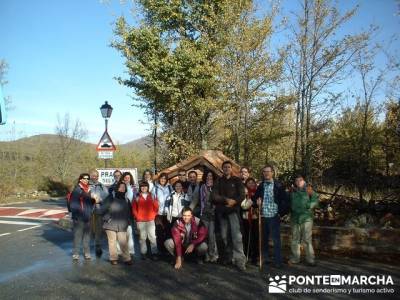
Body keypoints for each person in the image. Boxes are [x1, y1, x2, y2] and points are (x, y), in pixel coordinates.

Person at [211, 160, 247, 271]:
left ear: (231, 169)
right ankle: (229, 257)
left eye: (228, 167)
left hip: (233, 212)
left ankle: (240, 260)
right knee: (224, 236)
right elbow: (214, 196)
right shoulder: (218, 181)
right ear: (222, 169)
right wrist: (226, 200)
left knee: (237, 237)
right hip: (222, 212)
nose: (226, 169)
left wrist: (234, 202)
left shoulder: (237, 180)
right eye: (225, 167)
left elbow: (242, 195)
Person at [254, 164, 289, 268]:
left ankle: (278, 261)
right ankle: (264, 258)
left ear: (272, 173)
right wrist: (257, 201)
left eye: (268, 171)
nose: (266, 173)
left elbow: (286, 201)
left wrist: (280, 213)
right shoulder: (261, 186)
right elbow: (256, 198)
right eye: (264, 171)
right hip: (263, 216)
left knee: (276, 240)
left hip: (274, 216)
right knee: (263, 240)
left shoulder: (279, 185)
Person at [289, 175, 319, 266]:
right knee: (295, 239)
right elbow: (288, 202)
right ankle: (295, 258)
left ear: (304, 181)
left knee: (307, 239)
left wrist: (308, 206)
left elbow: (315, 201)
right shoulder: (292, 191)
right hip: (295, 218)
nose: (298, 182)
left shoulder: (309, 190)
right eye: (296, 181)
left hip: (306, 218)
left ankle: (310, 259)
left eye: (300, 180)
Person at [70, 173, 100, 261]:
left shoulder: (88, 189)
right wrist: (78, 215)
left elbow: (89, 203)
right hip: (79, 217)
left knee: (87, 236)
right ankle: (75, 253)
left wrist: (94, 200)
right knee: (78, 236)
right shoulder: (77, 189)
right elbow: (73, 205)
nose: (86, 180)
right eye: (84, 178)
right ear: (80, 179)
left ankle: (87, 252)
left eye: (88, 178)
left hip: (88, 216)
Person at [102, 182, 133, 265]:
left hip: (122, 224)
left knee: (123, 242)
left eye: (124, 187)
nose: (122, 188)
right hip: (110, 223)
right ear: (117, 188)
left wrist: (128, 221)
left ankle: (127, 258)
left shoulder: (127, 200)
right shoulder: (111, 197)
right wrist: (107, 218)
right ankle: (113, 258)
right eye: (120, 187)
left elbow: (130, 212)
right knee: (112, 242)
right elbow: (102, 209)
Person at [132, 181, 159, 260]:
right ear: (140, 188)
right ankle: (143, 253)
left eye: (145, 186)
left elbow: (156, 207)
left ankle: (154, 253)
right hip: (140, 221)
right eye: (142, 186)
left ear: (148, 187)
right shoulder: (136, 197)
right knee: (142, 238)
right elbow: (134, 209)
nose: (144, 188)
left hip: (150, 220)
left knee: (152, 237)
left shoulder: (152, 196)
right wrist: (137, 217)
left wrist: (153, 215)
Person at [88, 169, 109, 258]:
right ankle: (86, 250)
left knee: (98, 231)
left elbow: (107, 198)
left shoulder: (102, 186)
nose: (94, 177)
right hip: (88, 212)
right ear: (90, 176)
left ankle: (98, 246)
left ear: (98, 176)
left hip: (98, 211)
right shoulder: (86, 186)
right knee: (87, 231)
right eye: (92, 175)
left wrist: (100, 201)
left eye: (96, 175)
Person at [199, 170, 219, 263]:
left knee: (212, 235)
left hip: (214, 213)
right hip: (205, 213)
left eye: (211, 176)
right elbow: (201, 200)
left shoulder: (216, 187)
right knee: (205, 235)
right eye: (207, 176)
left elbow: (218, 199)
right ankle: (206, 255)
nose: (209, 177)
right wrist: (202, 212)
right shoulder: (202, 187)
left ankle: (213, 255)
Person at [152, 173, 173, 252]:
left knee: (168, 232)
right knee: (159, 232)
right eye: (161, 178)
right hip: (158, 214)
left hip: (168, 214)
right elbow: (152, 200)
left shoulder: (170, 188)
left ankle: (167, 250)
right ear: (159, 179)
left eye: (164, 178)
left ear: (167, 179)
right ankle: (160, 251)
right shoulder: (155, 188)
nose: (163, 180)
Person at [241, 177, 259, 265]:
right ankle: (246, 255)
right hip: (246, 217)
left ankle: (255, 257)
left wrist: (255, 204)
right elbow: (243, 206)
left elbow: (258, 204)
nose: (251, 184)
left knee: (255, 237)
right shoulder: (244, 193)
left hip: (255, 217)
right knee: (246, 237)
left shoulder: (257, 193)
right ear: (246, 184)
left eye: (253, 183)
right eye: (249, 183)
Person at [120, 172, 137, 256]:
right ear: (123, 178)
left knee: (129, 232)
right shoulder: (119, 187)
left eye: (128, 177)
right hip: (120, 212)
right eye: (125, 177)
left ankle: (131, 250)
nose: (127, 179)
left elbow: (136, 200)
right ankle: (119, 251)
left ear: (131, 179)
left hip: (130, 212)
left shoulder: (134, 188)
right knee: (120, 232)